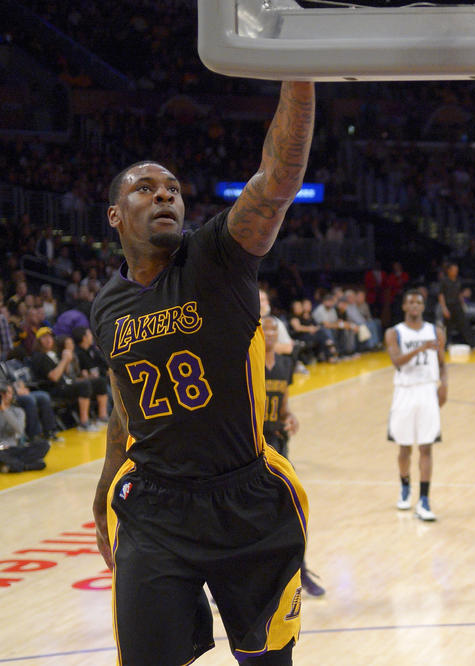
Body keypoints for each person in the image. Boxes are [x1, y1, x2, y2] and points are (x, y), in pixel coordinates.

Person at [90, 81, 315, 666]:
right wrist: (103, 491)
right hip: (155, 508)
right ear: (116, 215)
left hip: (247, 498)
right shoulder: (106, 306)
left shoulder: (217, 254)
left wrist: (301, 72)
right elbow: (125, 405)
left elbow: (277, 180)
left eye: (173, 190)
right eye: (146, 188)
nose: (165, 196)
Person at [260, 315, 325, 597]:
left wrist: (289, 416)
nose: (271, 333)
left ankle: (300, 571)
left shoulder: (285, 365)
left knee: (294, 511)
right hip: (253, 449)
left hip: (279, 445)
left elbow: (283, 400)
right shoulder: (247, 365)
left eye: (275, 329)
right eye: (266, 329)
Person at [385, 289, 447, 521]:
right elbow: (397, 362)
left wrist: (444, 386)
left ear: (422, 306)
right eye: (410, 302)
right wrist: (421, 348)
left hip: (426, 390)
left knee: (426, 446)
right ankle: (404, 486)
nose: (414, 305)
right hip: (404, 391)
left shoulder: (435, 331)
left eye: (418, 302)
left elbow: (441, 362)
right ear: (404, 306)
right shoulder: (394, 333)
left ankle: (424, 500)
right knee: (403, 447)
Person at [30, 327, 107, 431]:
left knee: (100, 382)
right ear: (38, 341)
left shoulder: (54, 354)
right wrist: (65, 360)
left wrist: (68, 360)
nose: (48, 340)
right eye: (44, 338)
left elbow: (65, 374)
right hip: (54, 389)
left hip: (65, 383)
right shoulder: (39, 357)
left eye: (50, 337)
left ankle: (102, 416)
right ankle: (84, 422)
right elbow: (54, 377)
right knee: (84, 386)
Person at [438, 262, 473, 346]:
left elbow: (459, 293)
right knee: (447, 327)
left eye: (456, 270)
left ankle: (471, 344)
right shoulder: (444, 281)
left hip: (457, 305)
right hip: (448, 305)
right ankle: (446, 345)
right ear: (449, 270)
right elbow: (441, 295)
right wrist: (444, 308)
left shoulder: (458, 280)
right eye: (453, 270)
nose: (455, 272)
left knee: (464, 324)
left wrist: (463, 304)